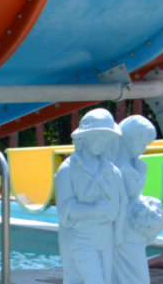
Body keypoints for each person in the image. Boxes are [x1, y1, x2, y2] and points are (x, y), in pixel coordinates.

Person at [55, 108, 126, 284]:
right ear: (84, 137)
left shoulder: (112, 171)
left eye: (106, 138)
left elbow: (120, 203)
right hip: (82, 238)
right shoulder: (67, 170)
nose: (103, 142)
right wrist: (93, 210)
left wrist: (117, 232)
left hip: (105, 237)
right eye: (98, 136)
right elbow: (65, 210)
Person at [113, 115, 161, 284]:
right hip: (121, 230)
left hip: (133, 229)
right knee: (130, 274)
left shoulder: (136, 164)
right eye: (142, 143)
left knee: (137, 273)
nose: (144, 149)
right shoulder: (116, 167)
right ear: (129, 138)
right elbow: (129, 194)